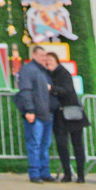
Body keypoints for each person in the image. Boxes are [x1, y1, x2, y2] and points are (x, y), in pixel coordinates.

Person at [45, 50, 88, 184]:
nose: (48, 63)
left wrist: (52, 89)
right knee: (62, 145)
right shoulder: (47, 75)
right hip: (59, 114)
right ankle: (67, 174)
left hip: (72, 113)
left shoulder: (64, 73)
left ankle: (80, 175)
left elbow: (67, 90)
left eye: (51, 60)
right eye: (47, 61)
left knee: (77, 145)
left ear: (56, 61)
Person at [17, 45, 57, 184]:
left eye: (45, 56)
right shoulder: (28, 70)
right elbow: (25, 91)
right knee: (35, 144)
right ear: (33, 55)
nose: (44, 58)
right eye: (41, 56)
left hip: (46, 113)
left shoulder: (44, 71)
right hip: (36, 114)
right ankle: (35, 173)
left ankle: (44, 172)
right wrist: (29, 110)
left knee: (45, 145)